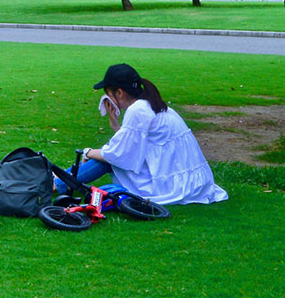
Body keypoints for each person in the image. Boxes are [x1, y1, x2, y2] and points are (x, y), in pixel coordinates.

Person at [54, 63, 228, 205]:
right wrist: (115, 124)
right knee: (106, 161)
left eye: (108, 95)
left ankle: (54, 184)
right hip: (189, 180)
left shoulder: (138, 110)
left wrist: (88, 152)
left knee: (105, 163)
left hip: (169, 185)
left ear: (119, 92)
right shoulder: (149, 104)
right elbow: (133, 146)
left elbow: (117, 155)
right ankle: (56, 181)